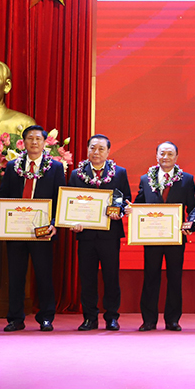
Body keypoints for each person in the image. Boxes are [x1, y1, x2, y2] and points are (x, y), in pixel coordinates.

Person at [0, 125, 66, 332]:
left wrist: (54, 223)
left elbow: (60, 198)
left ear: (44, 143)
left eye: (38, 139)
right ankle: (15, 318)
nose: (34, 142)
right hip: (16, 230)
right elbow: (3, 195)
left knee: (44, 274)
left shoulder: (55, 167)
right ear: (23, 142)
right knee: (16, 275)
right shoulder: (13, 166)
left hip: (42, 230)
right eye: (30, 138)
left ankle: (46, 317)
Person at [69, 134, 131, 331]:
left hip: (109, 234)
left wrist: (120, 212)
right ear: (87, 149)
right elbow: (69, 203)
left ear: (108, 152)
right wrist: (72, 222)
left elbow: (125, 199)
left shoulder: (119, 173)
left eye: (101, 149)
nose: (96, 152)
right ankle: (90, 318)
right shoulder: (76, 174)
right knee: (87, 278)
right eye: (92, 148)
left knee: (111, 277)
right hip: (86, 235)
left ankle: (112, 317)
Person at [134, 141, 195, 332]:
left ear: (176, 157)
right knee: (150, 277)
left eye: (170, 154)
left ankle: (172, 320)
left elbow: (194, 208)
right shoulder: (146, 179)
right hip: (151, 237)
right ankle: (149, 320)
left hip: (176, 237)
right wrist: (131, 210)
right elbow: (139, 204)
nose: (166, 157)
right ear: (156, 156)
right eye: (162, 153)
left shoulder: (186, 179)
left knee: (174, 277)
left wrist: (191, 223)